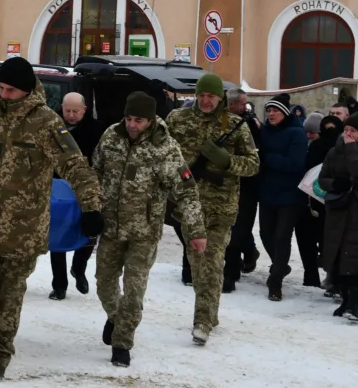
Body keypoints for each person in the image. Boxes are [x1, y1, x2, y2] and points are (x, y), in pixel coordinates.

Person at [0, 57, 103, 382]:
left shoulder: (46, 122)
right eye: (1, 88)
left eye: (11, 90)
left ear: (26, 90)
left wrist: (92, 207)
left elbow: (75, 165)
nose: (4, 95)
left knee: (9, 296)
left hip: (23, 227)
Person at [94, 92, 206, 367]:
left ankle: (122, 342)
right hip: (110, 228)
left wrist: (196, 230)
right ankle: (116, 317)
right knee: (104, 284)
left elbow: (186, 192)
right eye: (129, 119)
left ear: (151, 120)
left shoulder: (165, 148)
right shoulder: (111, 136)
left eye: (139, 120)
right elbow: (94, 172)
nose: (132, 125)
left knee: (133, 291)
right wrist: (90, 208)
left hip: (143, 233)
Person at [166, 74, 259, 346]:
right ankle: (210, 312)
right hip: (188, 206)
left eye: (212, 96)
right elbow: (161, 150)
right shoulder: (177, 119)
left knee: (212, 262)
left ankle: (202, 321)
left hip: (221, 207)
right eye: (202, 95)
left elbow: (253, 165)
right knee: (198, 263)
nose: (206, 101)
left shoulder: (234, 125)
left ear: (221, 98)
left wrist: (228, 161)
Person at [319, 112, 358, 323]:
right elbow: (323, 178)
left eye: (353, 131)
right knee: (338, 256)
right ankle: (344, 301)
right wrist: (335, 184)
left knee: (354, 258)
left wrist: (352, 149)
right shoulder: (334, 151)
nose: (348, 134)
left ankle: (353, 305)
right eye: (346, 130)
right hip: (338, 208)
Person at [49, 92, 104, 301]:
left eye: (75, 111)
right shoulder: (52, 126)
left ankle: (79, 268)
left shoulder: (96, 130)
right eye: (67, 111)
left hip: (86, 188)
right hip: (58, 188)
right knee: (58, 235)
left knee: (89, 231)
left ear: (84, 110)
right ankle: (59, 285)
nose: (71, 115)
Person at [257, 96, 310, 300]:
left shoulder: (297, 133)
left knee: (282, 237)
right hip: (267, 192)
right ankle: (281, 265)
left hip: (290, 194)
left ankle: (275, 281)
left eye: (275, 110)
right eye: (268, 110)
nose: (271, 114)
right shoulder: (265, 131)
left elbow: (295, 164)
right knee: (265, 234)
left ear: (285, 112)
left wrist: (267, 158)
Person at [223, 88, 262, 290]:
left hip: (247, 184)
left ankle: (232, 272)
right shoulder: (222, 121)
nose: (245, 107)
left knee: (240, 229)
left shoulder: (249, 122)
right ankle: (233, 267)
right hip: (226, 182)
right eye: (242, 104)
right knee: (228, 229)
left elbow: (256, 152)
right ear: (231, 105)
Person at [302, 115, 344, 295]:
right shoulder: (317, 147)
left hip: (335, 200)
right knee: (314, 238)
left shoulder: (343, 148)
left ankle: (331, 277)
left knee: (330, 241)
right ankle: (316, 276)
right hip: (315, 199)